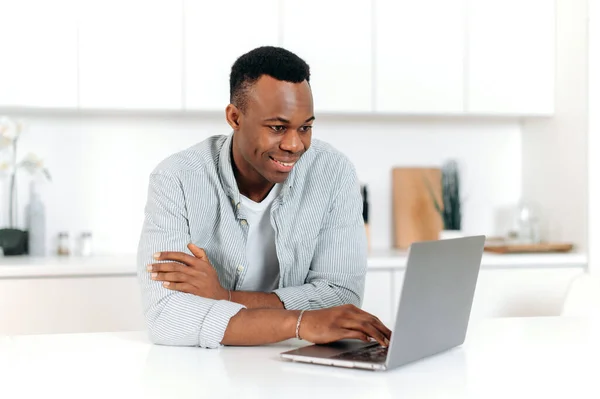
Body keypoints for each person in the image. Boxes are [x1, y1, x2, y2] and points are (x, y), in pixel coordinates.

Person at [137, 46, 391, 349]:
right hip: (207, 367)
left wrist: (223, 298)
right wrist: (300, 322)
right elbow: (166, 315)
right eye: (278, 127)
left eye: (305, 128)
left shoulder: (333, 172)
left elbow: (340, 296)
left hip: (297, 359)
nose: (295, 145)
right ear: (235, 117)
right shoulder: (176, 178)